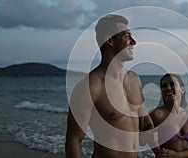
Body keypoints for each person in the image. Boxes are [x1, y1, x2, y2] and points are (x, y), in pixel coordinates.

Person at [65, 14, 156, 158]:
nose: (134, 42)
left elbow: (144, 119)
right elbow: (74, 141)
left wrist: (151, 136)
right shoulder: (90, 87)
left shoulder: (134, 79)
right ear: (109, 41)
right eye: (127, 36)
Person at [150, 73, 188, 158]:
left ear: (182, 89)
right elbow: (140, 140)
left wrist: (177, 155)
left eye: (172, 84)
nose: (168, 88)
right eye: (164, 86)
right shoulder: (155, 115)